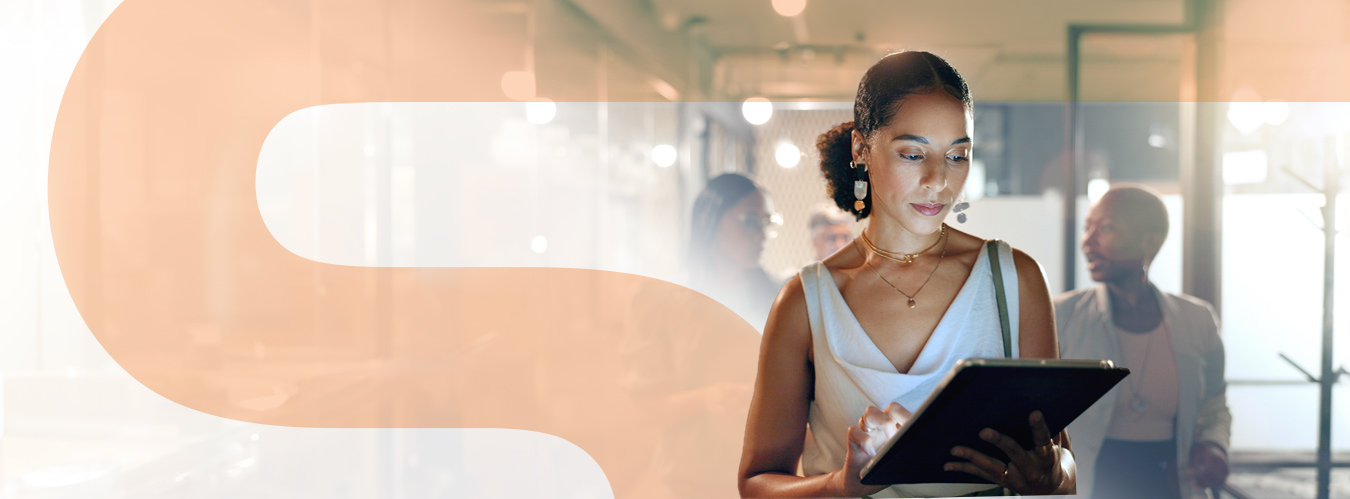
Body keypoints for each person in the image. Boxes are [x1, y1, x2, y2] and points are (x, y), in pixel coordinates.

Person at [738, 51, 1076, 498]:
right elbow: (756, 484)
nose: (938, 180)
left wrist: (1053, 477)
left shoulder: (1014, 279)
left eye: (957, 156)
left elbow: (1059, 456)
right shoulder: (807, 300)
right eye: (914, 154)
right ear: (862, 148)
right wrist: (841, 486)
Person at [1056, 185, 1231, 499]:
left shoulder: (1196, 319)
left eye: (1106, 228)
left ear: (1151, 240)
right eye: (1087, 228)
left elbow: (1215, 402)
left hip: (1170, 482)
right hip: (1092, 483)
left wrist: (1215, 446)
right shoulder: (1061, 316)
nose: (1087, 242)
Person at [686, 172, 785, 331]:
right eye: (750, 221)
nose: (762, 236)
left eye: (766, 222)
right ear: (708, 221)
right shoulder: (673, 296)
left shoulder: (780, 299)